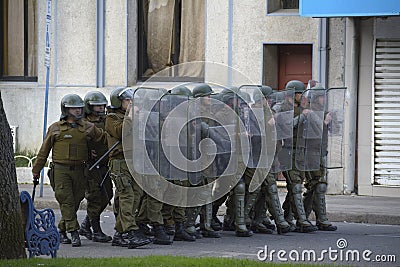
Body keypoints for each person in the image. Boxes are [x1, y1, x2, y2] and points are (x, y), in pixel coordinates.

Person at [32, 93, 107, 247]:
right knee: (66, 201)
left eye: (79, 108)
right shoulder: (55, 128)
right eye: (74, 109)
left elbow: (104, 139)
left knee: (75, 200)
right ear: (65, 110)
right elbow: (43, 151)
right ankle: (74, 232)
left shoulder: (87, 127)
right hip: (61, 170)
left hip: (81, 170)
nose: (78, 111)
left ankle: (61, 230)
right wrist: (36, 170)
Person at [106, 87, 152, 249]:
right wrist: (131, 116)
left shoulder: (134, 117)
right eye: (128, 101)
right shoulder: (112, 118)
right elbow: (120, 132)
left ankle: (119, 233)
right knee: (127, 196)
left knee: (137, 195)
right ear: (119, 102)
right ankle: (131, 232)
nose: (131, 103)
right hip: (120, 162)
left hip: (135, 161)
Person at [160, 85, 196, 242]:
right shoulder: (168, 119)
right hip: (170, 162)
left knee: (181, 194)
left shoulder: (186, 118)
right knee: (171, 194)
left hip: (183, 161)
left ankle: (179, 225)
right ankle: (169, 225)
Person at [281, 80, 318, 233]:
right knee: (295, 186)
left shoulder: (302, 108)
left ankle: (288, 218)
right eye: (299, 93)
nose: (301, 96)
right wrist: (303, 116)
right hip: (288, 151)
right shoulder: (282, 108)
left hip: (301, 152)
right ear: (292, 94)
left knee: (295, 187)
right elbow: (288, 126)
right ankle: (302, 220)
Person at [78, 91, 113, 243]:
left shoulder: (107, 120)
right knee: (94, 197)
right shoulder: (83, 122)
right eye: (97, 106)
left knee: (107, 195)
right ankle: (96, 230)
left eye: (102, 105)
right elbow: (75, 141)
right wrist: (86, 152)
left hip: (105, 164)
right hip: (91, 166)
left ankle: (86, 224)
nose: (101, 108)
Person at [302, 86, 337, 231]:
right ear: (315, 98)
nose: (324, 99)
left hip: (321, 152)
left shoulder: (324, 112)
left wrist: (331, 121)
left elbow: (335, 131)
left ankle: (303, 216)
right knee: (318, 185)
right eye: (321, 96)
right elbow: (313, 132)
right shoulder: (308, 112)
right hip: (311, 153)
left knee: (315, 187)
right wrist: (325, 122)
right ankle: (320, 219)